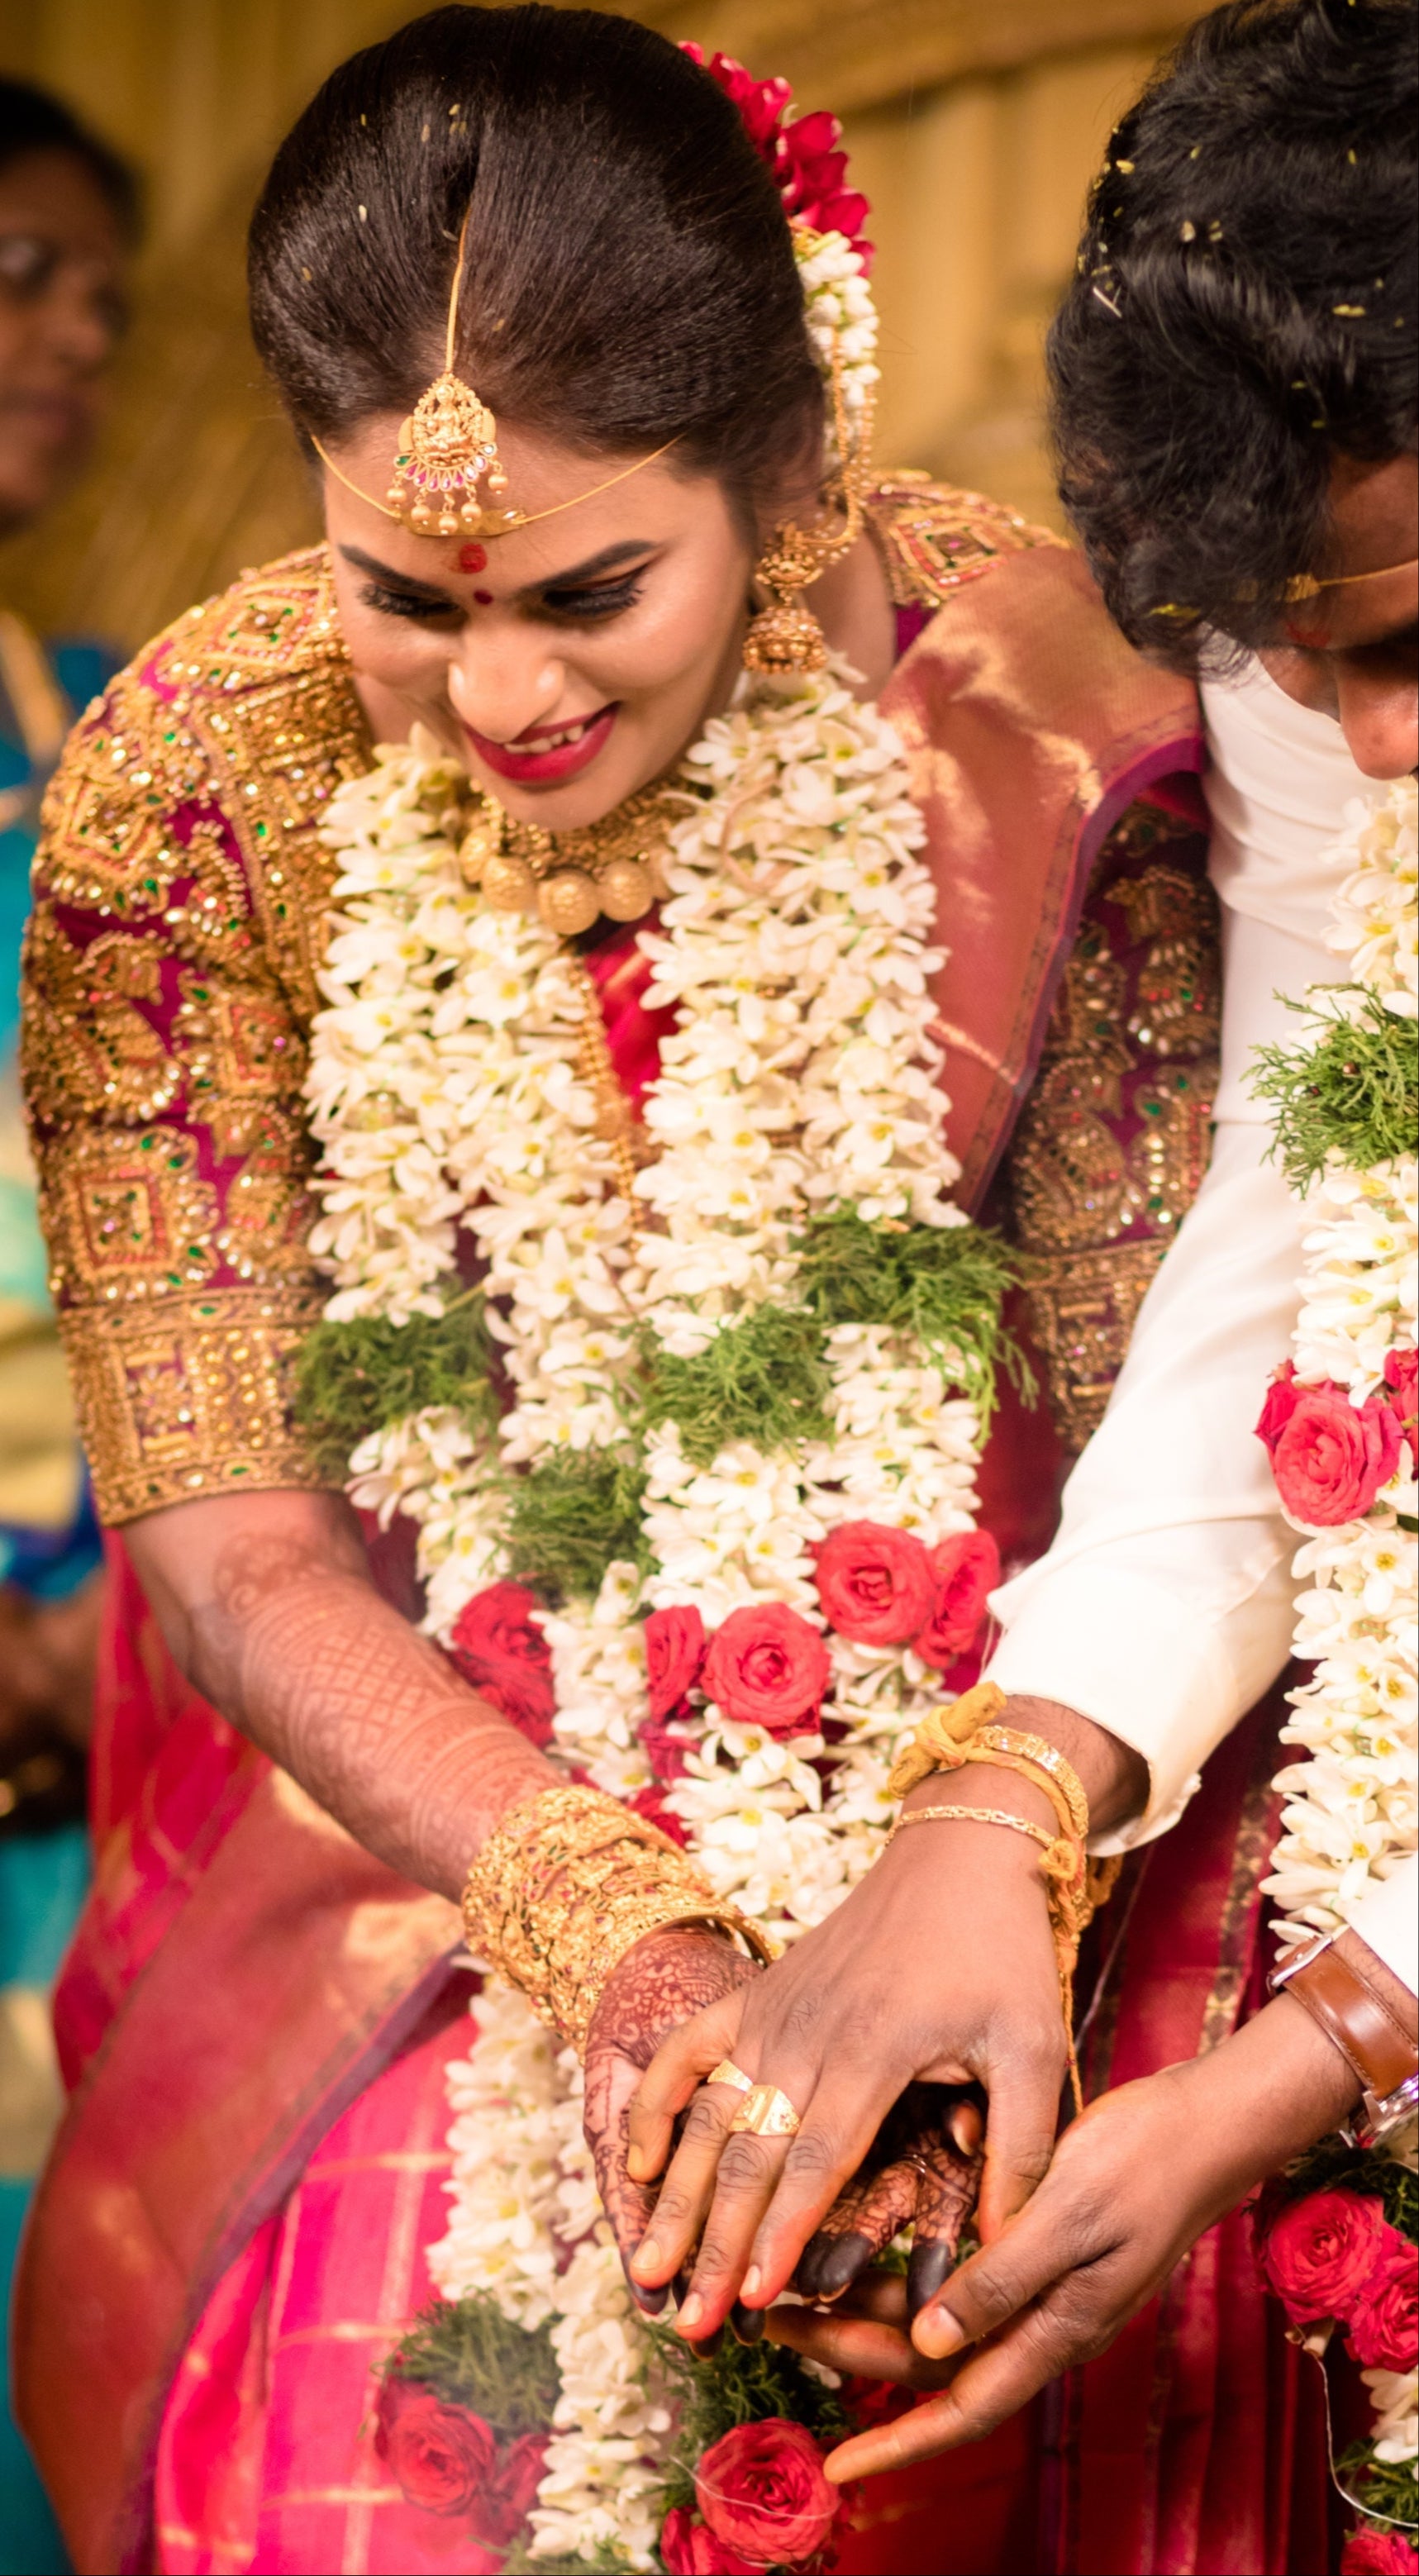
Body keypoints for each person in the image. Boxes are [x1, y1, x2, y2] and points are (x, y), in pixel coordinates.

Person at [6, 9, 1333, 2572]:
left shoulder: (1083, 739)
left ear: (794, 463)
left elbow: (1154, 1441)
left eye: (596, 591)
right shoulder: (201, 789)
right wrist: (620, 1941)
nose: (501, 694)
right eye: (406, 597)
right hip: (412, 1836)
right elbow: (235, 1536)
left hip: (1011, 1812)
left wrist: (917, 1963)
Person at [625, 0, 1417, 2556]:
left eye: (1402, 650)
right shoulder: (1333, 640)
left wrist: (1321, 2055)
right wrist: (1011, 1797)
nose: (1367, 746)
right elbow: (1322, 1217)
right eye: (1301, 666)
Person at [0, 74, 136, 2576]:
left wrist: (129, 1618)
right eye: (21, 274)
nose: (77, 339)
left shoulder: (139, 751)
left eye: (103, 302)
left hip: (116, 1684)